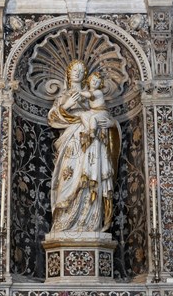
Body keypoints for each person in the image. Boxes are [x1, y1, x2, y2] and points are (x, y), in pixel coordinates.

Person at [47, 60, 120, 232]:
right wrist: (67, 105)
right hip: (72, 142)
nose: (78, 73)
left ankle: (90, 224)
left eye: (82, 70)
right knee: (68, 178)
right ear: (69, 73)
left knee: (90, 177)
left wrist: (108, 123)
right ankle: (64, 224)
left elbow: (107, 119)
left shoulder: (92, 96)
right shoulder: (63, 97)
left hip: (93, 144)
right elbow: (52, 118)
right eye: (75, 70)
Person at [78, 71, 111, 151]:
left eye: (97, 82)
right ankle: (88, 129)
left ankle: (92, 133)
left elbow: (89, 95)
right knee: (83, 115)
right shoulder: (88, 92)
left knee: (93, 118)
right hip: (94, 110)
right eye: (93, 80)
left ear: (100, 85)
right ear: (89, 80)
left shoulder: (98, 92)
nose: (95, 82)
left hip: (102, 112)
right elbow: (84, 103)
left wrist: (79, 92)